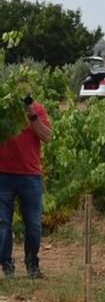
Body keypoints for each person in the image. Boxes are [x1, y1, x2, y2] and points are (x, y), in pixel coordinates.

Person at [0, 84, 52, 279]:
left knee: (33, 224)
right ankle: (6, 265)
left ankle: (32, 265)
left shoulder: (37, 110)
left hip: (30, 176)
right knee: (3, 222)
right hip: (2, 174)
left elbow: (47, 137)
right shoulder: (3, 110)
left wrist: (32, 116)